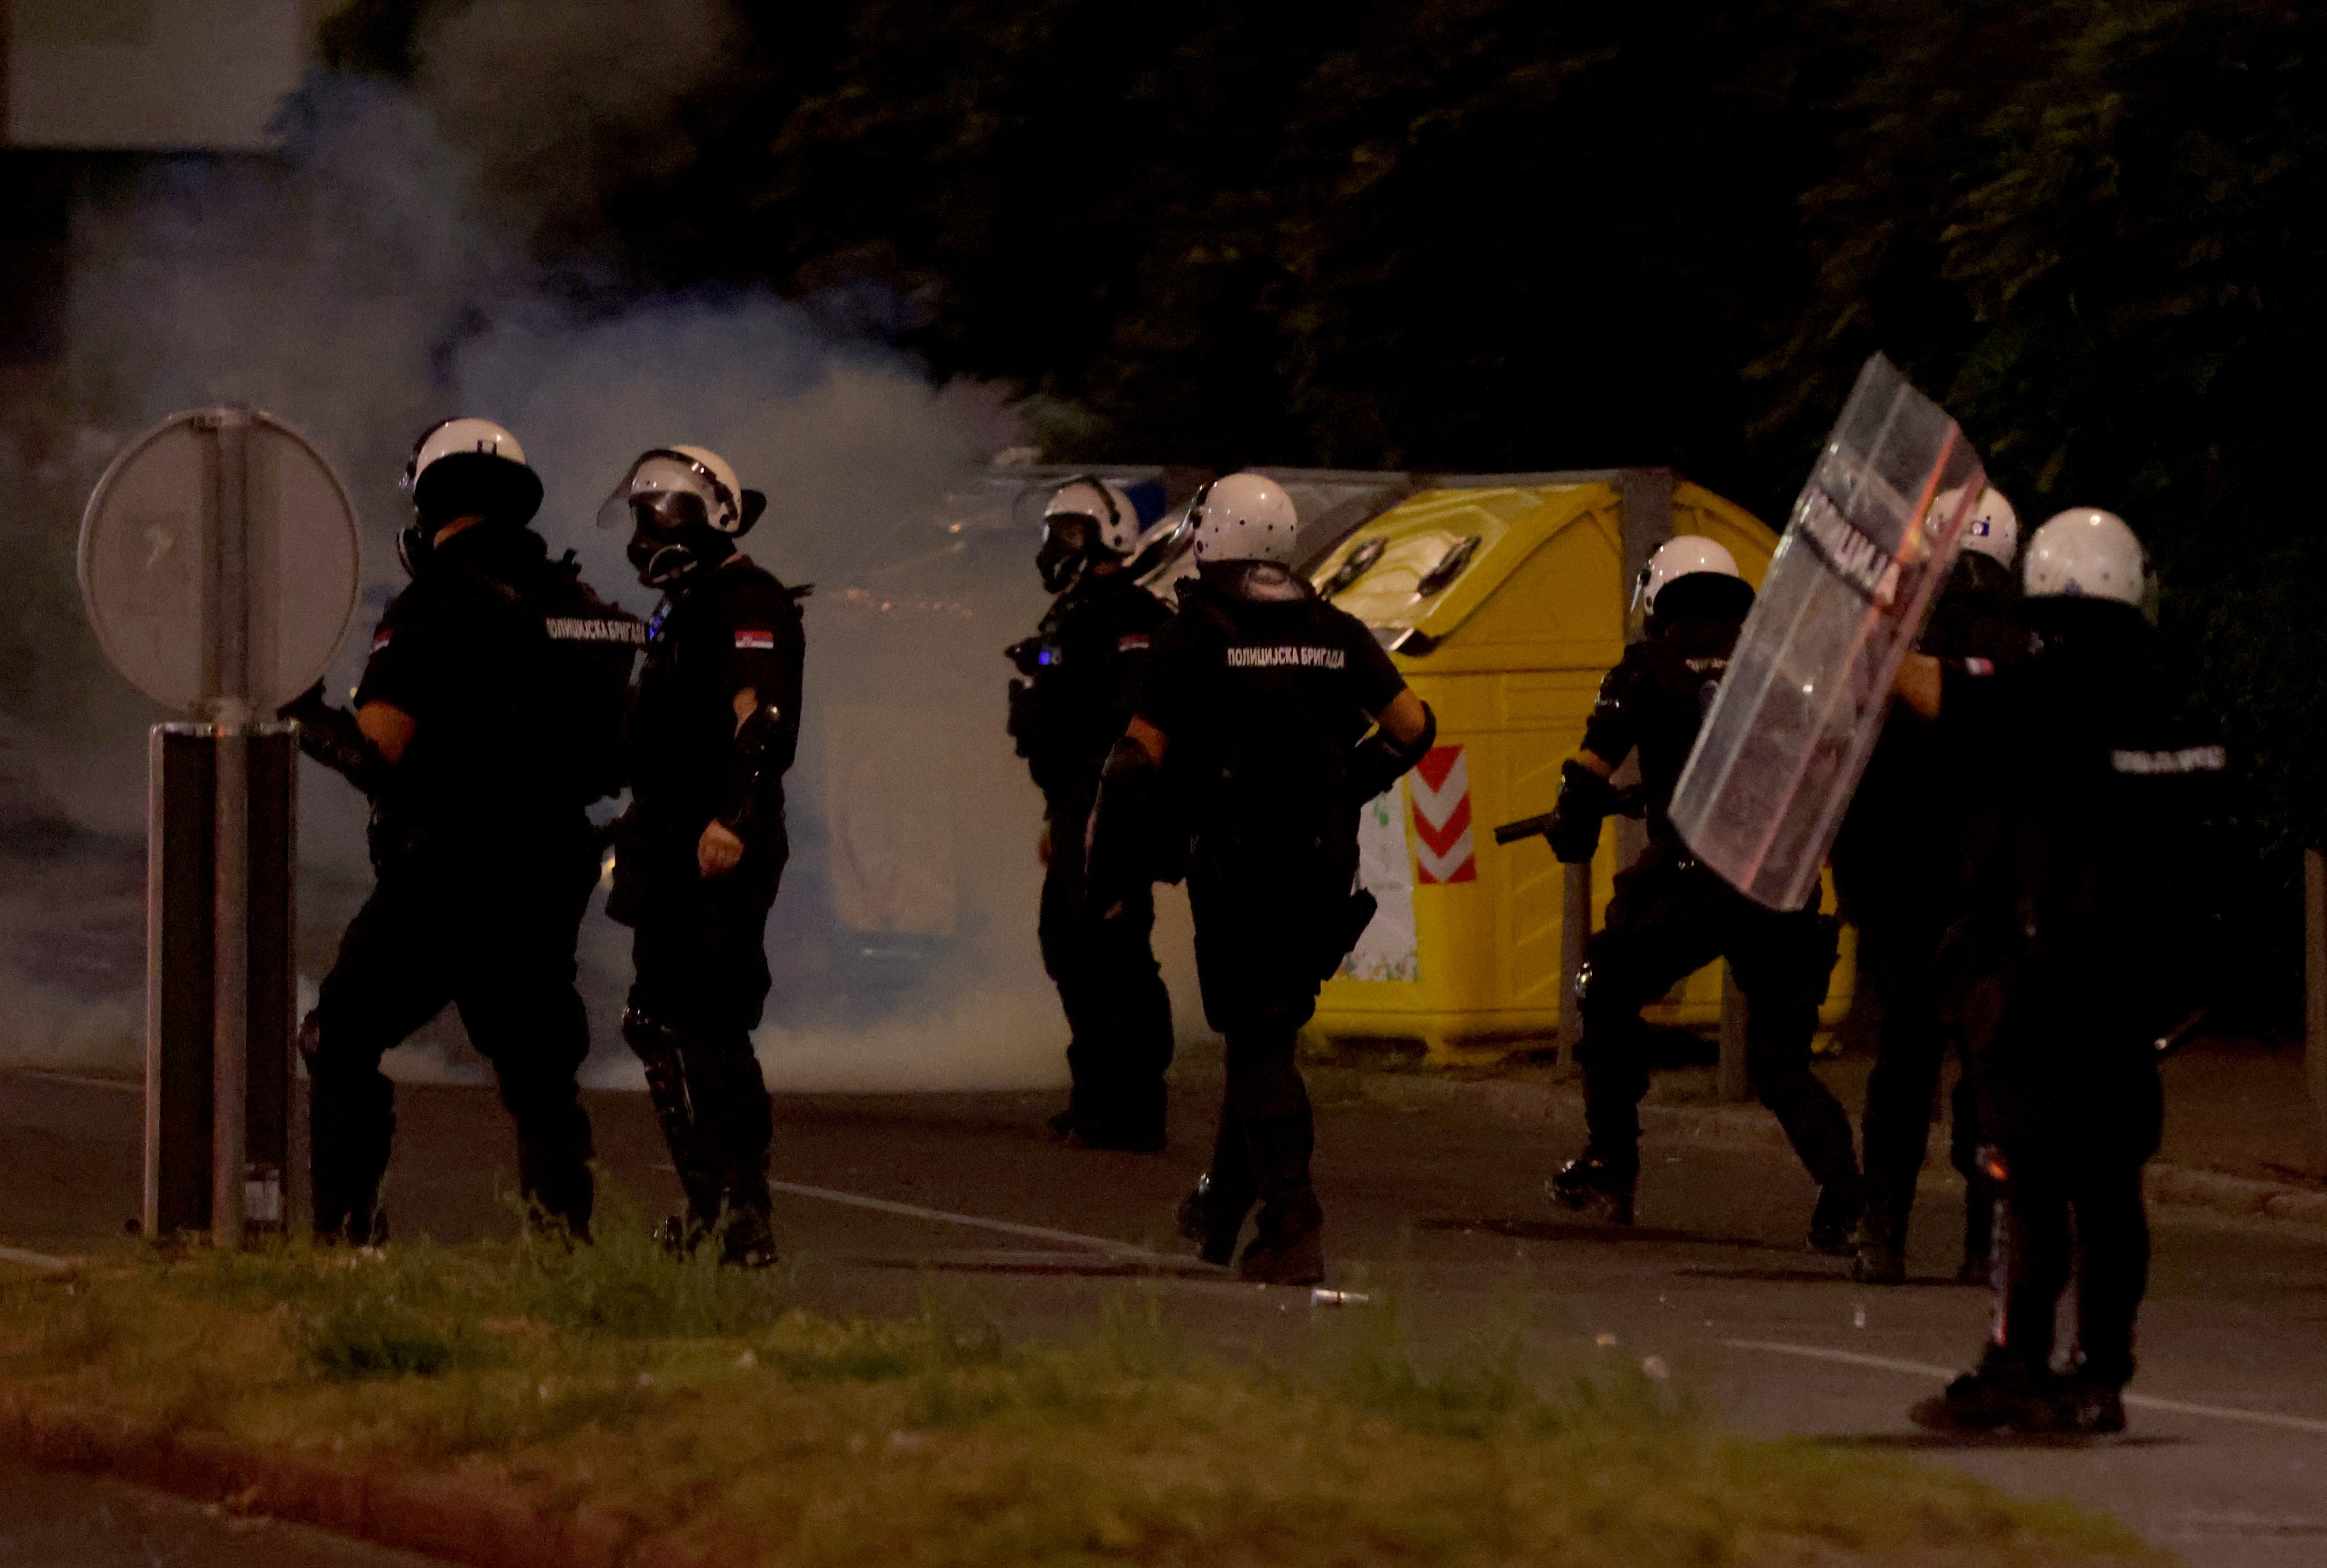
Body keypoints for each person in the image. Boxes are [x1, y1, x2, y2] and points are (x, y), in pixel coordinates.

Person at [1896, 508, 2222, 1437]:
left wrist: (1867, 631)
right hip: (2142, 986)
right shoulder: (2177, 707)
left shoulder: (2045, 694)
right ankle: (2099, 1374)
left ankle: (2017, 1364)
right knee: (2110, 1184)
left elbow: (1936, 689)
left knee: (2025, 1174)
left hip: (2050, 977)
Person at [283, 418, 641, 1243]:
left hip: (448, 869)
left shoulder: (436, 602)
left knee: (339, 1037)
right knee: (540, 1077)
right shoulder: (582, 604)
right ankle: (565, 1256)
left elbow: (378, 753)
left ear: (431, 501)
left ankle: (349, 1244)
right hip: (552, 868)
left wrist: (300, 712)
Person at [1088, 472, 1434, 1285]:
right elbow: (1412, 727)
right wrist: (1346, 786)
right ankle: (1219, 1212)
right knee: (1263, 1034)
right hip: (1321, 862)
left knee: (1258, 1043)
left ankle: (1292, 1221)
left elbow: (1136, 763)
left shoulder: (1194, 634)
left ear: (1211, 537)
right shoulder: (1333, 628)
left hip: (1239, 861)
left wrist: (1109, 874)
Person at [1539, 537, 1863, 1248]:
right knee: (1782, 1064)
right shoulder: (1780, 667)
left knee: (1605, 985)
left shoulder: (1646, 667)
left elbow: (1588, 772)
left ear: (1661, 596)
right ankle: (1848, 1197)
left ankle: (1610, 1164)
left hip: (1695, 880)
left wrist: (1573, 822)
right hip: (1779, 879)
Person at [601, 445, 805, 1266]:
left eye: (662, 514)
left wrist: (733, 817)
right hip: (673, 839)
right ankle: (718, 1206)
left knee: (699, 1023)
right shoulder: (691, 604)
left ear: (710, 517)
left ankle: (735, 1213)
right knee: (676, 1022)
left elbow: (761, 719)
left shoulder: (743, 600)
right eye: (642, 516)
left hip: (712, 846)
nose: (647, 532)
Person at [1830, 486, 2027, 1285]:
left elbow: (1846, 768)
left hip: (1902, 888)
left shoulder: (1890, 647)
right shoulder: (2028, 645)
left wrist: (1855, 886)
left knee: (1903, 1064)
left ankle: (1883, 1231)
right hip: (1991, 888)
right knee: (1990, 1067)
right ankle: (1987, 1240)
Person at [1006, 477, 1176, 1150]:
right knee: (1069, 946)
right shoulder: (1072, 613)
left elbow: (1134, 720)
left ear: (1110, 536)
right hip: (1077, 802)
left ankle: (1135, 1108)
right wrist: (1058, 814)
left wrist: (1118, 820)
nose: (1058, 546)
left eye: (1071, 532)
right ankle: (1096, 1094)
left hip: (1114, 802)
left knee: (1117, 951)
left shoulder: (1130, 614)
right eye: (1056, 533)